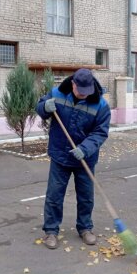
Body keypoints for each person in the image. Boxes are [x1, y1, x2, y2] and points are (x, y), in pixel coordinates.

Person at [36, 68, 111, 249]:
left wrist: (85, 149)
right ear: (73, 84)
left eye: (87, 92)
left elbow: (100, 132)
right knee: (54, 195)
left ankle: (85, 228)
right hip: (60, 155)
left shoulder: (101, 105)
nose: (84, 95)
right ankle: (51, 231)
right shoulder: (57, 93)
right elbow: (40, 108)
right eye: (80, 91)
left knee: (85, 196)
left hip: (85, 159)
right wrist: (44, 107)